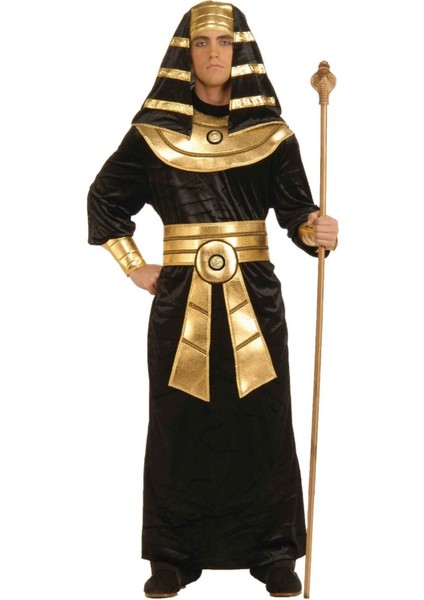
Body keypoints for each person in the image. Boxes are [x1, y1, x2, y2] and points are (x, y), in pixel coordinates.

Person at [87, 2, 338, 597]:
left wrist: (316, 230)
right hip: (180, 298)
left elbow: (296, 212)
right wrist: (133, 265)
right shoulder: (154, 135)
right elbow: (104, 198)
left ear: (240, 50)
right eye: (202, 42)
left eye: (224, 41)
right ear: (186, 53)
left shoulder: (272, 134)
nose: (214, 52)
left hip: (256, 294)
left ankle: (274, 552)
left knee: (262, 416)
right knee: (179, 419)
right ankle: (173, 556)